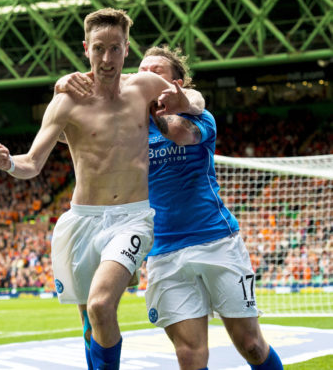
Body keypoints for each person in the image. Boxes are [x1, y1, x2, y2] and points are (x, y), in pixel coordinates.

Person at [0, 8, 204, 370]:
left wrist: (184, 102)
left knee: (102, 305)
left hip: (132, 219)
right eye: (99, 48)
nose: (107, 58)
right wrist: (9, 162)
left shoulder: (143, 87)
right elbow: (32, 163)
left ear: (127, 49)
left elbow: (196, 99)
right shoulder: (66, 102)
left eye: (115, 48)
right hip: (82, 220)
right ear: (86, 48)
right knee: (90, 326)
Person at [56, 45, 283, 370]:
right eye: (142, 69)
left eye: (156, 70)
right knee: (189, 355)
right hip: (164, 253)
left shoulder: (200, 117)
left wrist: (164, 109)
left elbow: (180, 133)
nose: (145, 74)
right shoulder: (126, 129)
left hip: (217, 242)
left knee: (251, 346)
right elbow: (74, 134)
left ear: (176, 82)